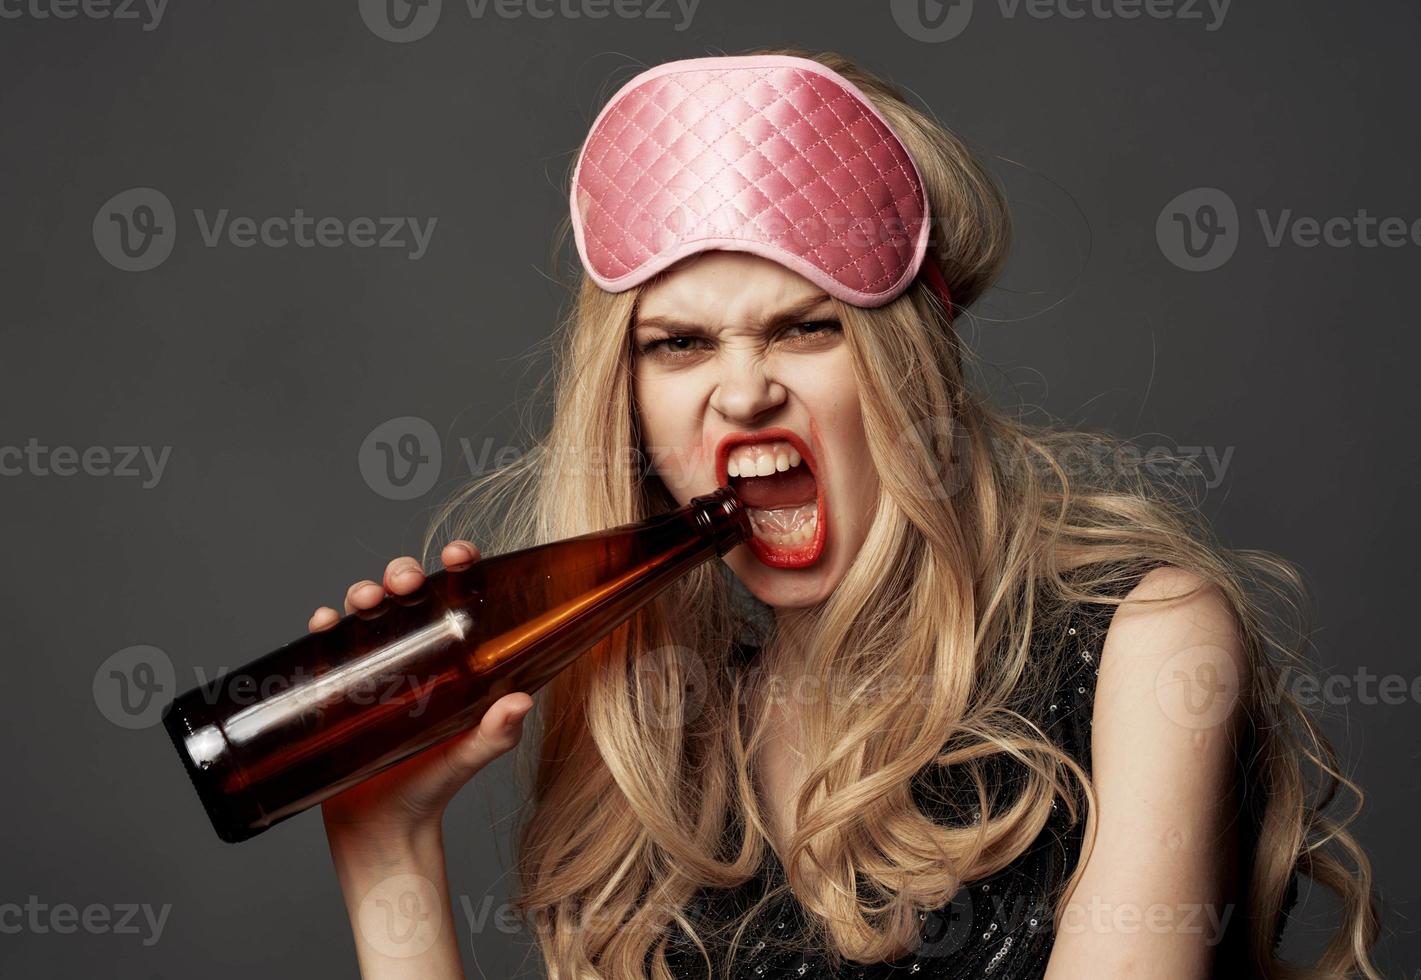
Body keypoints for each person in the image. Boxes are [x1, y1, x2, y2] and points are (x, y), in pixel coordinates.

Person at [309, 49, 1381, 979]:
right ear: (631, 407)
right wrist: (385, 843)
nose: (741, 392)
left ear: (905, 366)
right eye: (679, 343)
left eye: (804, 327)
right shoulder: (679, 745)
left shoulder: (1142, 648)